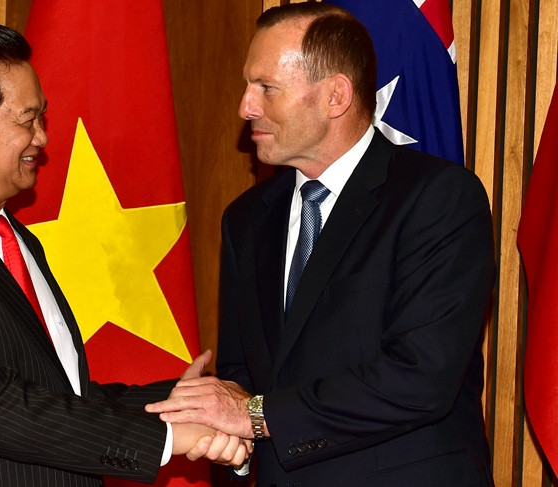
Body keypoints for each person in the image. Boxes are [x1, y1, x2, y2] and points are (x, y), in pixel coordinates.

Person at [0, 21, 247, 487]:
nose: (42, 138)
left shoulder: (20, 241)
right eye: (27, 120)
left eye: (41, 118)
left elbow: (62, 397)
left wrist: (178, 401)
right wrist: (165, 438)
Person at [146, 3, 495, 486]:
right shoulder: (247, 219)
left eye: (266, 88)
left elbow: (421, 377)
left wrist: (253, 416)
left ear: (335, 96)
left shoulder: (436, 198)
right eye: (249, 86)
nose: (245, 106)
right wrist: (225, 433)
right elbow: (243, 374)